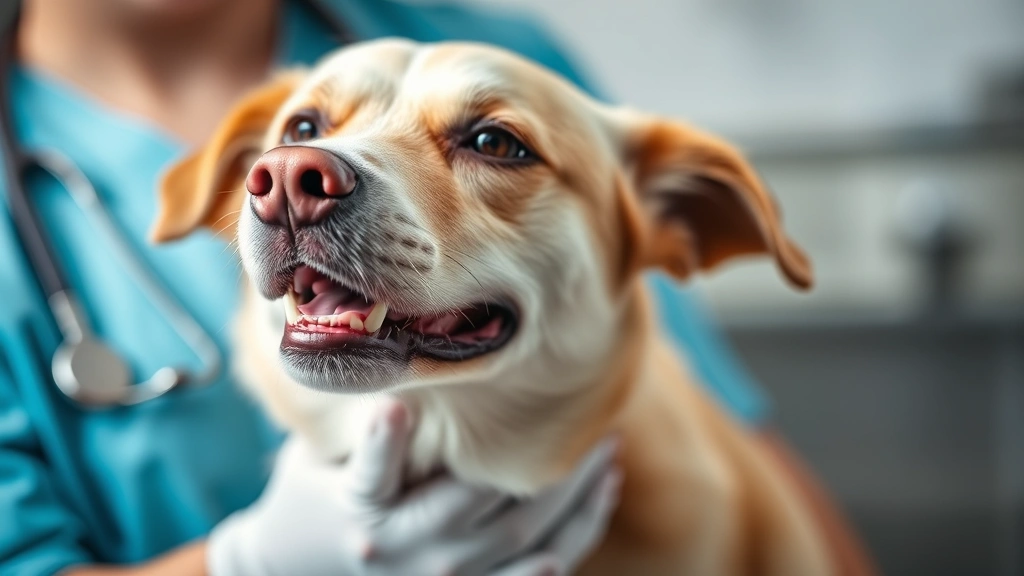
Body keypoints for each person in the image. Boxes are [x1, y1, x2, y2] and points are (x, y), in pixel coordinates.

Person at [0, 0, 874, 574]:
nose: (301, 170)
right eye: (305, 131)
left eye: (492, 143)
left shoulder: (512, 52)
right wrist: (258, 564)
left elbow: (745, 443)